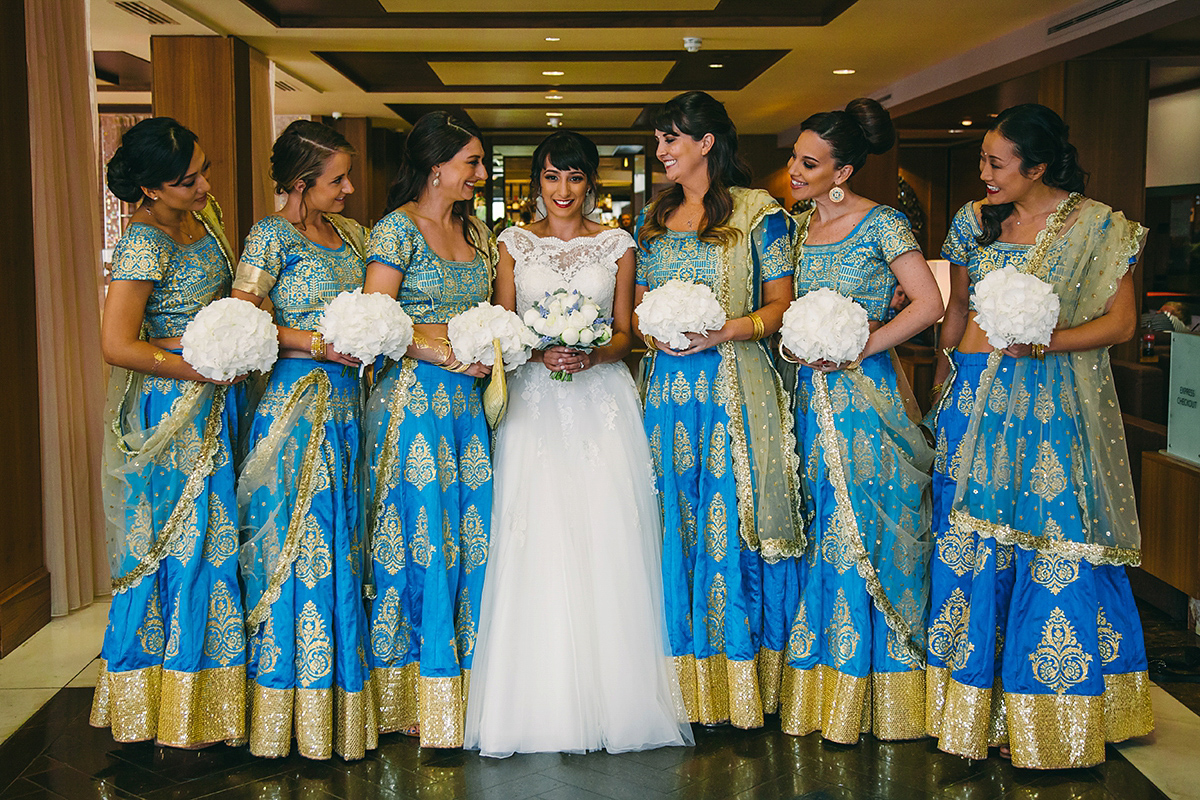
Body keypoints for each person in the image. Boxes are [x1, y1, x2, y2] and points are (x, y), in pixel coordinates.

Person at [926, 103, 1154, 768]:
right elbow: (959, 309)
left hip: (1051, 406)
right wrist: (946, 383)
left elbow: (1119, 325)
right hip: (973, 397)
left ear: (1039, 166)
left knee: (1051, 539)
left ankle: (1057, 712)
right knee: (973, 544)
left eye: (996, 164)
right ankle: (973, 709)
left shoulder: (1097, 226)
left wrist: (1044, 342)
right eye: (982, 162)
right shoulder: (973, 220)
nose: (984, 174)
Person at [464, 131, 694, 757]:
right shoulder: (513, 243)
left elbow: (627, 333)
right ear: (536, 181)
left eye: (574, 179)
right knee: (530, 529)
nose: (561, 192)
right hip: (534, 401)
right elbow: (503, 326)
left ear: (591, 183)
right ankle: (534, 700)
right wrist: (534, 348)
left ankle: (619, 698)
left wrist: (592, 352)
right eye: (550, 178)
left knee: (607, 529)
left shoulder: (618, 243)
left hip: (601, 399)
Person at [634, 91, 804, 728]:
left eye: (671, 139)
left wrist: (725, 330)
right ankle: (675, 684)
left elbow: (782, 306)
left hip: (734, 385)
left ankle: (739, 683)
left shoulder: (762, 214)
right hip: (668, 395)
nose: (662, 152)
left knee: (731, 517)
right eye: (658, 141)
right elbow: (639, 309)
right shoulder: (653, 218)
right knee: (670, 518)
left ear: (707, 142)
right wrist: (657, 333)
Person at [778, 99, 942, 745]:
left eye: (809, 163)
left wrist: (861, 345)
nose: (794, 169)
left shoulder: (884, 225)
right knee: (822, 526)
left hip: (865, 399)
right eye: (794, 156)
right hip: (807, 399)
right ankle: (827, 687)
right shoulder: (794, 228)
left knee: (865, 529)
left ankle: (886, 696)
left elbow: (927, 302)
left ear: (842, 170)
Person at [91, 117, 247, 747]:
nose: (206, 186)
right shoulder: (144, 242)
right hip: (171, 409)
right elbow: (115, 343)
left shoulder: (201, 222)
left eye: (204, 169)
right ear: (152, 190)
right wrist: (197, 368)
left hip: (218, 403)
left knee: (216, 546)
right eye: (189, 181)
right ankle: (159, 708)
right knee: (176, 547)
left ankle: (213, 701)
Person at [230, 120, 376, 760]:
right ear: (299, 184)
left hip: (348, 408)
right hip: (296, 405)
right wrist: (318, 342)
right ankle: (290, 710)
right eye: (336, 179)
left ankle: (342, 712)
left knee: (343, 542)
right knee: (300, 546)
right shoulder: (270, 236)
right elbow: (244, 321)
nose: (347, 189)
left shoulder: (348, 235)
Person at [361, 111, 497, 748]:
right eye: (471, 161)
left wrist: (493, 343)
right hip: (414, 405)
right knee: (421, 534)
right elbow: (379, 324)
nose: (479, 172)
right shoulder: (397, 232)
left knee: (474, 533)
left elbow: (495, 312)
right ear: (436, 166)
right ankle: (413, 693)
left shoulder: (478, 232)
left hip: (471, 410)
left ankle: (474, 688)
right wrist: (446, 348)